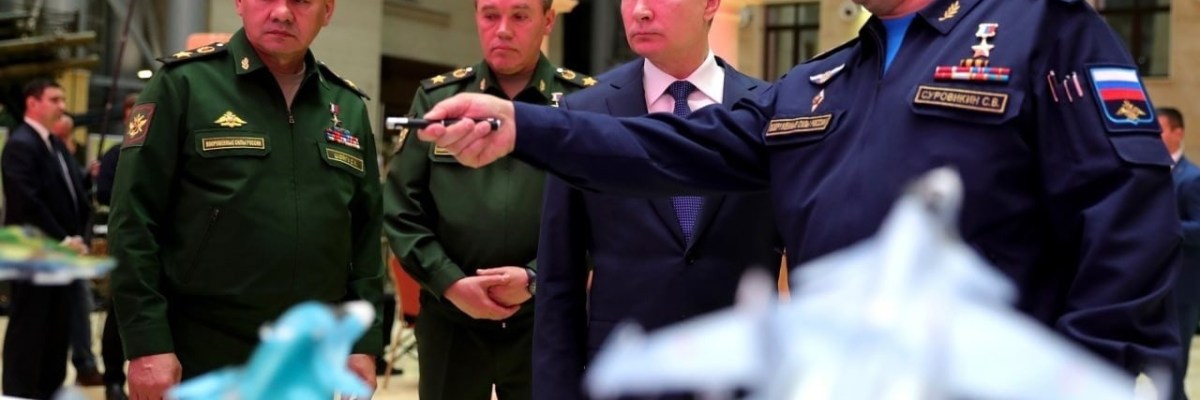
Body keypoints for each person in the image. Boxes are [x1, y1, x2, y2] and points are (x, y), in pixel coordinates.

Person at [419, 0, 1184, 383]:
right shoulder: (819, 84)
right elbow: (671, 146)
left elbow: (1127, 214)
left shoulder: (1040, 28)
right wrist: (523, 126)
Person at [108, 0, 383, 398]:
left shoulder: (347, 107)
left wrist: (363, 343)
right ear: (239, 2)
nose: (282, 12)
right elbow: (132, 221)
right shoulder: (184, 84)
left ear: (328, 11)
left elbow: (366, 237)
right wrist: (147, 342)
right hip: (201, 351)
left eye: (302, 1)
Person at [533, 1, 779, 399]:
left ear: (710, 4)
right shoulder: (585, 113)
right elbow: (558, 281)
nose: (640, 11)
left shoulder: (770, 113)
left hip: (742, 376)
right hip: (622, 378)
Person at [382, 0, 594, 398]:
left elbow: (601, 218)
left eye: (520, 16)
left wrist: (535, 278)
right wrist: (449, 282)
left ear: (548, 20)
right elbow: (400, 210)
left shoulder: (582, 104)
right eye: (490, 15)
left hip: (545, 318)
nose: (503, 29)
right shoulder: (439, 100)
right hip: (452, 319)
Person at [1, 79, 92, 399]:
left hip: (63, 251)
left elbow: (72, 192)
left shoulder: (54, 143)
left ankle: (49, 389)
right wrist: (61, 239)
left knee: (57, 325)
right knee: (30, 324)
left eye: (63, 99)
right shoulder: (21, 144)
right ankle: (20, 392)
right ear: (33, 103)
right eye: (55, 99)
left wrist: (78, 237)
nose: (63, 106)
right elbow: (27, 201)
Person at [1160, 107, 1200, 399]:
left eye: (1160, 130)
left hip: (1181, 286)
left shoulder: (1192, 178)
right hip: (1150, 284)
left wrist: (1165, 227)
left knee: (1174, 371)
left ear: (1178, 133)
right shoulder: (1149, 171)